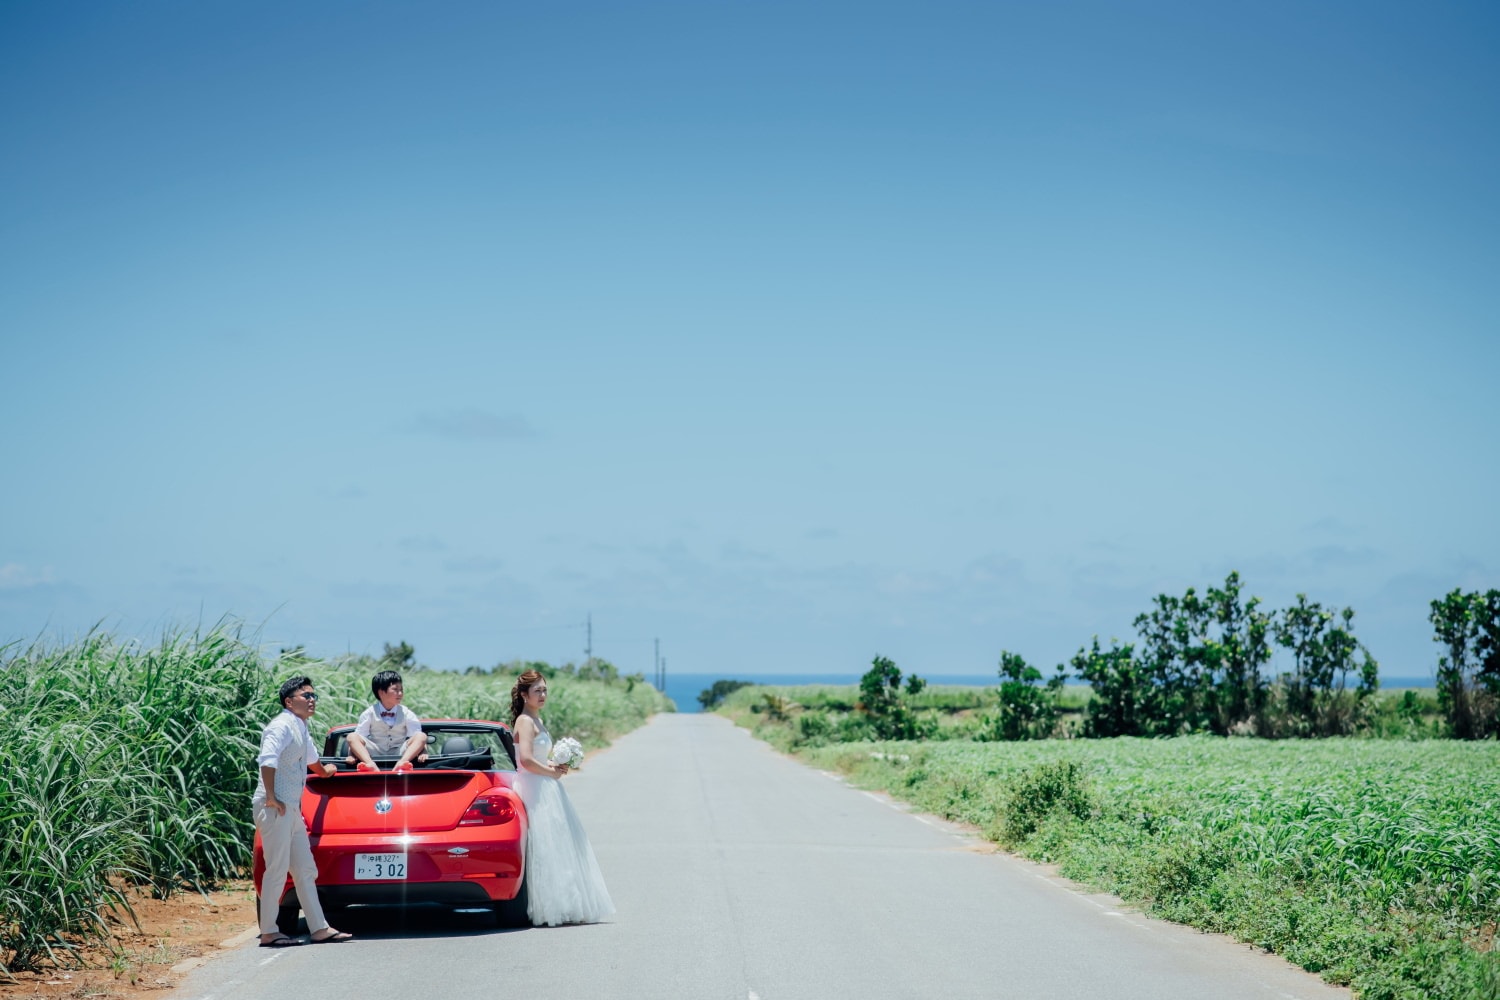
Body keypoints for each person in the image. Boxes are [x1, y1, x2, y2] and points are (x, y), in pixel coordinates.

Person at [252, 675, 354, 947]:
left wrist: (328, 772)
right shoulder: (281, 726)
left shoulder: (301, 727)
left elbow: (313, 762)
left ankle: (319, 928)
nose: (312, 700)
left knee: (305, 868)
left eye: (313, 696)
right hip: (275, 806)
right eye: (306, 696)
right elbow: (267, 760)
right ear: (289, 701)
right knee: (276, 868)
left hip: (291, 809)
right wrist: (271, 797)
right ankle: (269, 931)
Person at [510, 670, 615, 926]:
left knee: (557, 845)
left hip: (545, 784)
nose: (543, 695)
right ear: (524, 695)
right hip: (533, 786)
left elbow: (536, 755)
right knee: (543, 846)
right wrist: (551, 771)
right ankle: (548, 907)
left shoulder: (538, 719)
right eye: (538, 691)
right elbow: (524, 759)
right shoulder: (524, 721)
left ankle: (565, 902)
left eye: (545, 690)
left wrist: (556, 764)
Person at [346, 669, 426, 772]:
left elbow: (418, 737)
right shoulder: (369, 713)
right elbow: (359, 737)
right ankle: (370, 764)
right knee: (351, 736)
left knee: (422, 736)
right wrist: (351, 755)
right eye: (395, 690)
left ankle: (401, 764)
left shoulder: (407, 713)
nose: (400, 693)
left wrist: (423, 751)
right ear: (381, 692)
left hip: (400, 751)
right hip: (375, 751)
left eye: (401, 690)